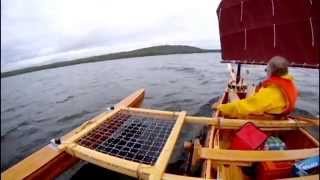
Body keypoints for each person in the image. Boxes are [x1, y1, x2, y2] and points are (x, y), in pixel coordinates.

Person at [212, 56, 299, 118]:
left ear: (272, 71)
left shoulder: (270, 93)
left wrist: (221, 107)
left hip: (264, 119)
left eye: (267, 70)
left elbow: (243, 107)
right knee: (251, 89)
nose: (266, 72)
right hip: (275, 112)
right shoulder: (291, 85)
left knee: (232, 94)